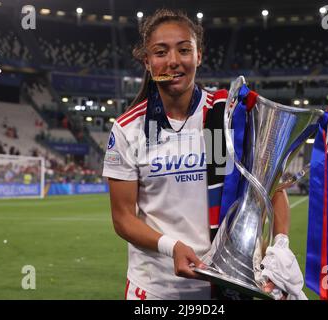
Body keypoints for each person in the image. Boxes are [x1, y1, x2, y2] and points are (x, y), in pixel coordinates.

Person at [102, 9, 301, 300]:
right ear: (147, 61)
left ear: (199, 56)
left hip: (229, 286)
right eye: (160, 52)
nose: (173, 61)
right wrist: (172, 246)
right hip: (157, 290)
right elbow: (122, 218)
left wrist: (280, 244)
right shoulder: (127, 129)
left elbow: (271, 187)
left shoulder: (229, 115)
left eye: (184, 50)